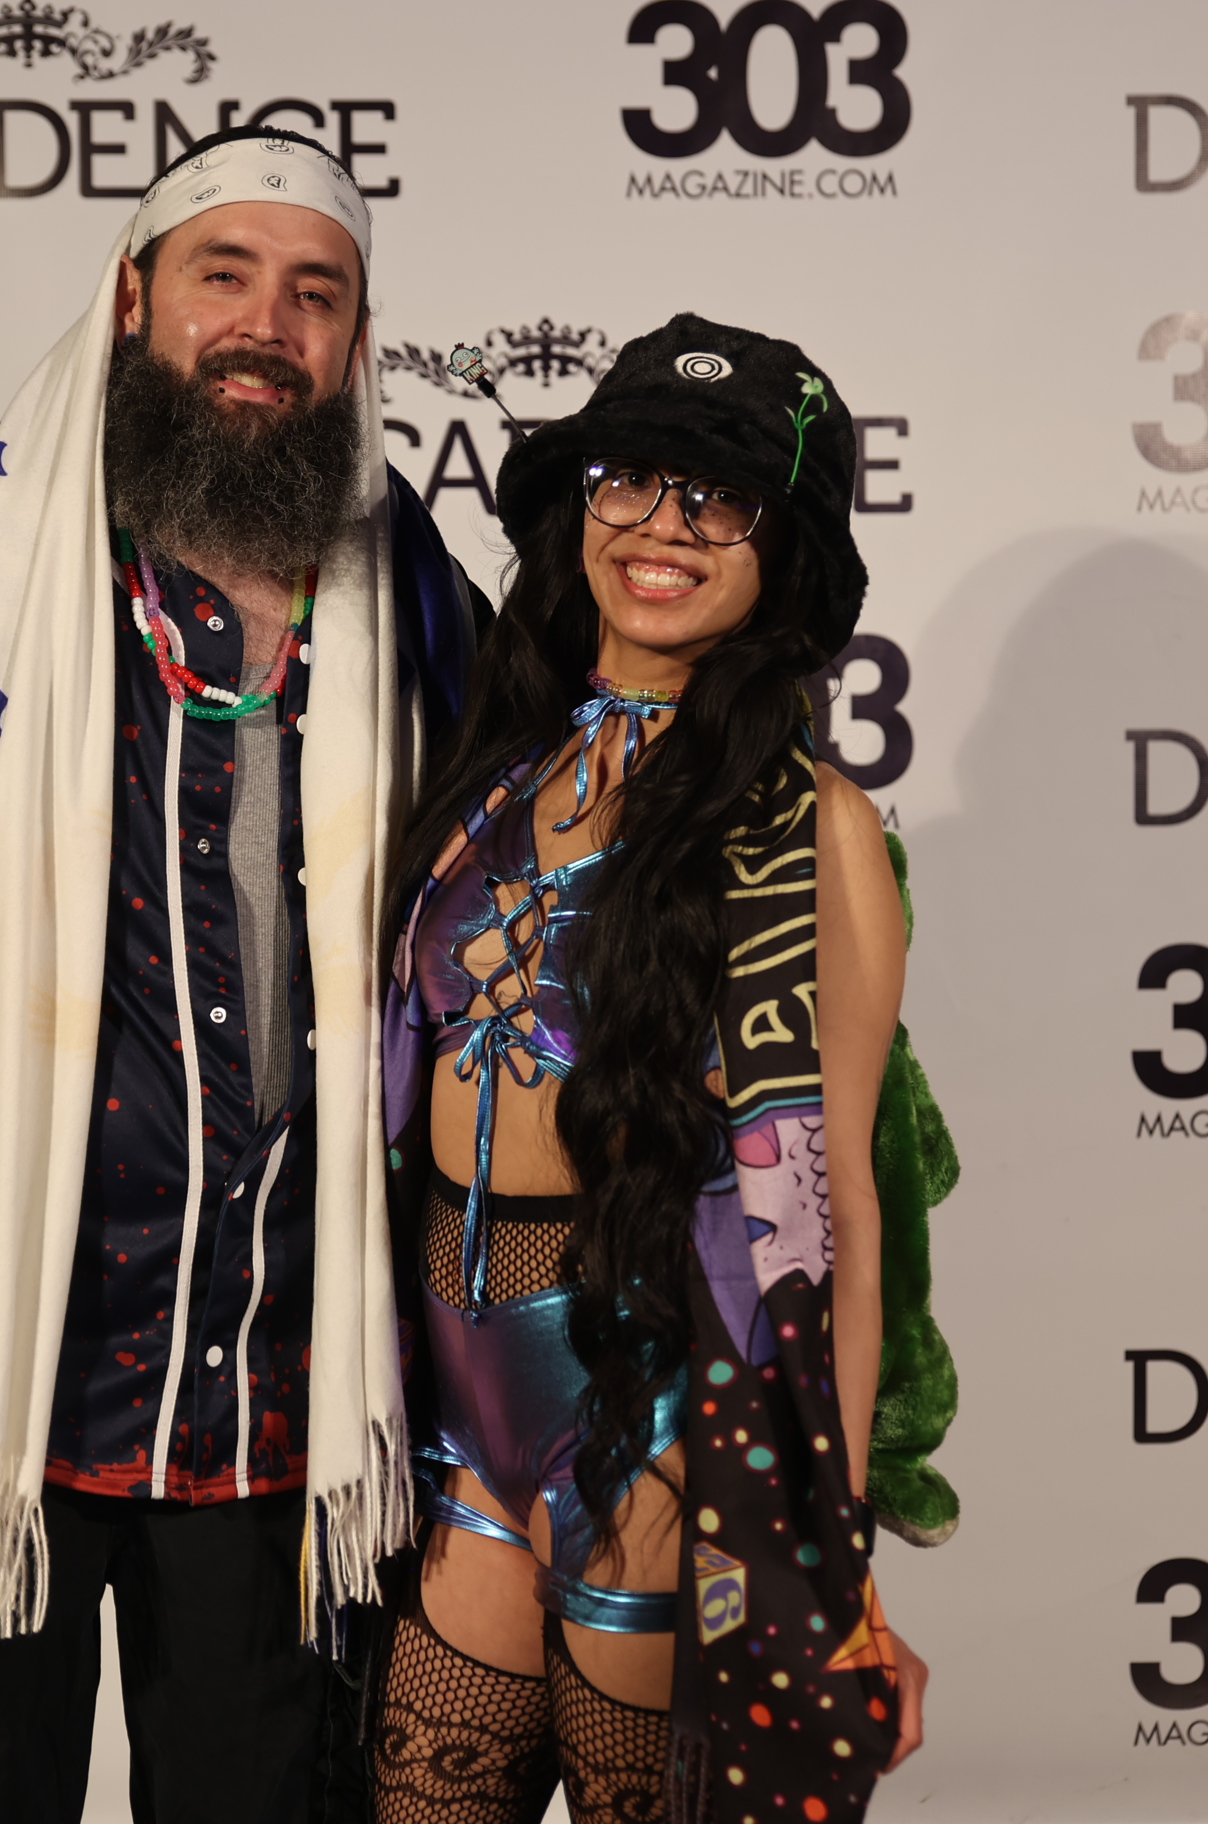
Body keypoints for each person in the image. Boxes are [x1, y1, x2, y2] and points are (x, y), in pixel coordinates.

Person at [0, 125, 484, 1824]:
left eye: (316, 293)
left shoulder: (415, 592)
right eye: (226, 275)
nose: (267, 327)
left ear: (354, 339)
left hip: (291, 1385)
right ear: (135, 297)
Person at [369, 315, 937, 1824]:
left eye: (722, 500)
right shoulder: (490, 771)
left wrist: (832, 1554)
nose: (665, 527)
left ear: (784, 554)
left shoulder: (812, 825)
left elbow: (839, 1210)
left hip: (658, 1428)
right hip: (454, 1422)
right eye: (631, 481)